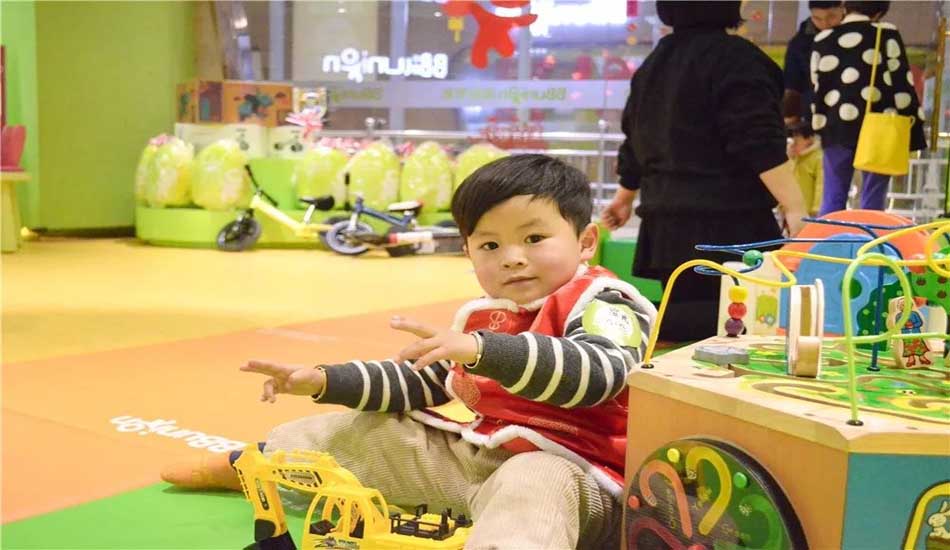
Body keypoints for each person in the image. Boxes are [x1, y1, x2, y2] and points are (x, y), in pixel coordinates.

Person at [161, 154, 657, 549]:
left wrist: (482, 351)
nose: (512, 258)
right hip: (477, 461)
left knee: (532, 484)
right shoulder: (486, 315)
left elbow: (599, 373)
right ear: (468, 252)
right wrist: (324, 379)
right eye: (489, 246)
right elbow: (419, 381)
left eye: (534, 238)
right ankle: (251, 467)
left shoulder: (604, 301)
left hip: (576, 477)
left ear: (585, 241)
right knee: (355, 431)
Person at [600, 1, 807, 342]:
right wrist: (795, 206)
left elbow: (636, 138)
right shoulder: (739, 60)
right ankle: (626, 324)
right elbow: (758, 141)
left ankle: (631, 326)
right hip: (730, 223)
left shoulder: (654, 64)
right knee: (742, 320)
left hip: (666, 226)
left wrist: (624, 197)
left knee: (690, 329)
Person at [810, 0, 927, 215]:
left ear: (846, 7)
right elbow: (901, 82)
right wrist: (913, 126)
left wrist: (818, 125)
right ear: (879, 13)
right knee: (873, 197)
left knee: (833, 195)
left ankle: (827, 236)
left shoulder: (823, 39)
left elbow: (817, 87)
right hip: (879, 125)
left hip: (835, 126)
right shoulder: (886, 34)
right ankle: (870, 235)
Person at [782, 1, 845, 125]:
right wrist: (790, 115)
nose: (825, 24)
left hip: (848, 109)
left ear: (842, 10)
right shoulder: (799, 44)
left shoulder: (857, 37)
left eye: (831, 17)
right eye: (817, 18)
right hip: (813, 113)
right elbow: (792, 84)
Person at [787, 120, 824, 216]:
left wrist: (817, 208)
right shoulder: (792, 158)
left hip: (808, 212)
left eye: (797, 139)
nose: (793, 143)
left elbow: (820, 185)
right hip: (790, 210)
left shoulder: (818, 158)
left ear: (809, 139)